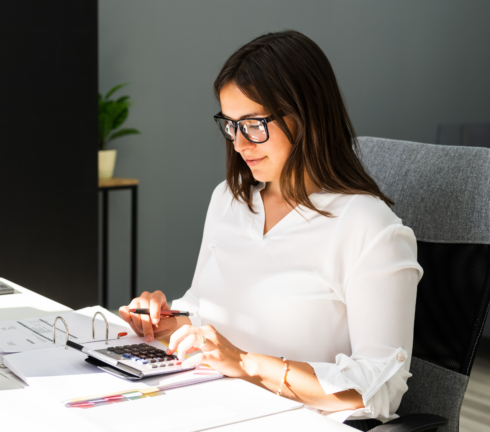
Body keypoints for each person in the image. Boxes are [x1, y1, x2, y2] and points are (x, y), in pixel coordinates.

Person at [118, 30, 421, 431]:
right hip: (214, 402)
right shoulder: (229, 199)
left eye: (254, 124)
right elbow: (204, 309)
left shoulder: (368, 227)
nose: (239, 144)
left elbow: (379, 388)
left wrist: (246, 363)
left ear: (307, 116)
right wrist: (167, 320)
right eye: (231, 125)